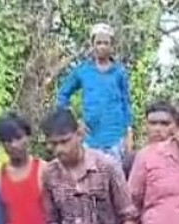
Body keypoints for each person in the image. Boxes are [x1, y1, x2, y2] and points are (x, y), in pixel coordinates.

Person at [40, 108, 138, 224]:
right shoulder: (50, 174)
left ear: (79, 134)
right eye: (53, 144)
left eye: (64, 142)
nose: (59, 150)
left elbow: (128, 220)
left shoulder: (107, 167)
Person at [57, 23, 134, 162]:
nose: (102, 47)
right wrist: (75, 122)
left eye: (106, 43)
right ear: (92, 45)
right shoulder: (83, 71)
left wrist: (129, 134)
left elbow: (126, 103)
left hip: (116, 139)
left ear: (112, 46)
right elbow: (63, 95)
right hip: (90, 139)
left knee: (115, 180)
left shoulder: (119, 72)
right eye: (98, 43)